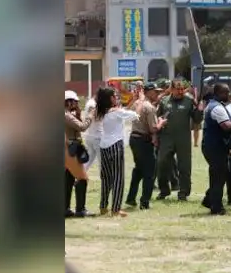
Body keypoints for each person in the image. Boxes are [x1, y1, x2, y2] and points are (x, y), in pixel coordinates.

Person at [92, 86, 140, 217]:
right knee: (118, 178)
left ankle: (103, 206)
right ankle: (116, 208)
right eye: (114, 96)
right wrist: (138, 103)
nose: (116, 98)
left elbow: (123, 112)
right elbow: (134, 115)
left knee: (106, 178)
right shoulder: (116, 112)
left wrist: (130, 102)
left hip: (104, 146)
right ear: (109, 99)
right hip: (115, 145)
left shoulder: (100, 111)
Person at [200, 83, 231, 215]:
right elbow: (226, 126)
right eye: (226, 93)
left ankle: (209, 200)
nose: (228, 95)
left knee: (220, 174)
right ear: (218, 93)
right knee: (219, 176)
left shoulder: (213, 105)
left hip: (214, 146)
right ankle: (217, 207)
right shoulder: (217, 108)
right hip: (215, 147)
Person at [125, 82, 165, 210]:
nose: (157, 94)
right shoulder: (149, 107)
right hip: (143, 141)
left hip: (134, 139)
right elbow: (153, 129)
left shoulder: (137, 104)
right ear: (148, 92)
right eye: (155, 92)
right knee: (150, 172)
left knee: (139, 170)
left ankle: (131, 198)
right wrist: (161, 123)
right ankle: (145, 201)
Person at [155, 79, 197, 201]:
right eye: (177, 89)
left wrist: (199, 108)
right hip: (166, 137)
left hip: (183, 138)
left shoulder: (189, 101)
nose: (180, 91)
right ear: (171, 89)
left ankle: (183, 192)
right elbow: (158, 117)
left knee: (184, 166)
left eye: (182, 89)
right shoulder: (164, 101)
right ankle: (164, 190)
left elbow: (197, 119)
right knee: (162, 163)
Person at [65, 90, 93, 218]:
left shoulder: (68, 114)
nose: (76, 104)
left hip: (67, 149)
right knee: (82, 178)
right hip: (70, 150)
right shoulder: (66, 115)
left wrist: (78, 114)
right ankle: (80, 209)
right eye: (75, 102)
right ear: (69, 102)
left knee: (68, 178)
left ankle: (65, 208)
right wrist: (90, 116)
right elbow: (82, 127)